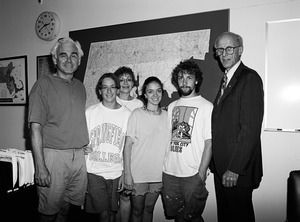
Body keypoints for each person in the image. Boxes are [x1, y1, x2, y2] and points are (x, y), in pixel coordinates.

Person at [28, 37, 89, 222]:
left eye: (73, 55)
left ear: (79, 60)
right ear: (55, 59)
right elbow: (35, 128)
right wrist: (40, 166)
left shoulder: (80, 87)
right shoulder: (43, 85)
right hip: (54, 157)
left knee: (66, 208)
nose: (69, 60)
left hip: (79, 157)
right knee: (48, 212)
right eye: (63, 55)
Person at [210, 31, 264, 222]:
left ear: (240, 50)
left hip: (236, 171)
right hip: (222, 168)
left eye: (229, 48)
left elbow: (250, 130)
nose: (224, 54)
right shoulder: (226, 79)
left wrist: (234, 169)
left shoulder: (249, 78)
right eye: (219, 50)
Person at [162, 59, 213, 222]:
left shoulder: (207, 107)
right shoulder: (171, 106)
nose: (184, 81)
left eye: (189, 77)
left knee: (193, 217)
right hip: (170, 172)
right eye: (181, 77)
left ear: (196, 80)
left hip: (192, 173)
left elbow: (209, 142)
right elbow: (167, 138)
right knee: (178, 216)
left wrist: (201, 174)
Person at [85, 73, 131, 222]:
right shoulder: (90, 112)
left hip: (116, 172)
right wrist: (82, 147)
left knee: (112, 213)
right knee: (104, 214)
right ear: (100, 91)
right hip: (94, 171)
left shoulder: (127, 115)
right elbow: (81, 140)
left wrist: (124, 173)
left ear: (118, 90)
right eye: (105, 87)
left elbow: (127, 148)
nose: (109, 91)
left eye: (112, 87)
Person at [123, 76, 170, 222]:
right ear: (145, 94)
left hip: (158, 174)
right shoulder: (136, 114)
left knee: (149, 210)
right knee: (136, 212)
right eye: (150, 91)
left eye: (158, 91)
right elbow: (127, 146)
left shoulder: (168, 116)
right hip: (138, 173)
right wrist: (127, 174)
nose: (155, 95)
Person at [114, 66, 143, 222]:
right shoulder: (111, 99)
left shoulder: (139, 104)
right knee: (115, 200)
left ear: (133, 83)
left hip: (132, 157)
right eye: (122, 79)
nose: (125, 82)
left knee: (127, 196)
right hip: (113, 157)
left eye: (129, 79)